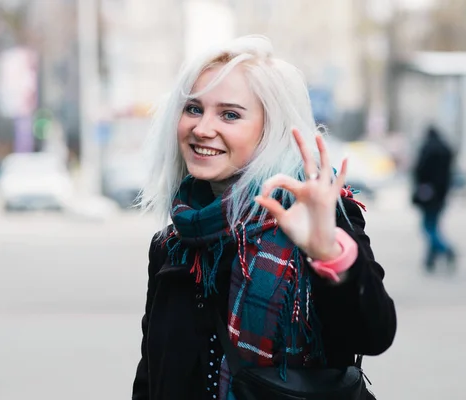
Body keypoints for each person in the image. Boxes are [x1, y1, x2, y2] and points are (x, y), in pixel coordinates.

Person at [132, 36, 396, 400]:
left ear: (269, 128)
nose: (202, 128)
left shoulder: (311, 217)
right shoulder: (171, 245)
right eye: (193, 108)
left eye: (229, 114)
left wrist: (327, 254)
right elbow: (150, 378)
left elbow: (374, 335)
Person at [412, 126, 456, 271]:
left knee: (428, 227)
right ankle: (430, 260)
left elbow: (419, 170)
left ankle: (446, 249)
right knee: (434, 225)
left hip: (428, 194)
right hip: (442, 195)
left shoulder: (428, 149)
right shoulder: (446, 149)